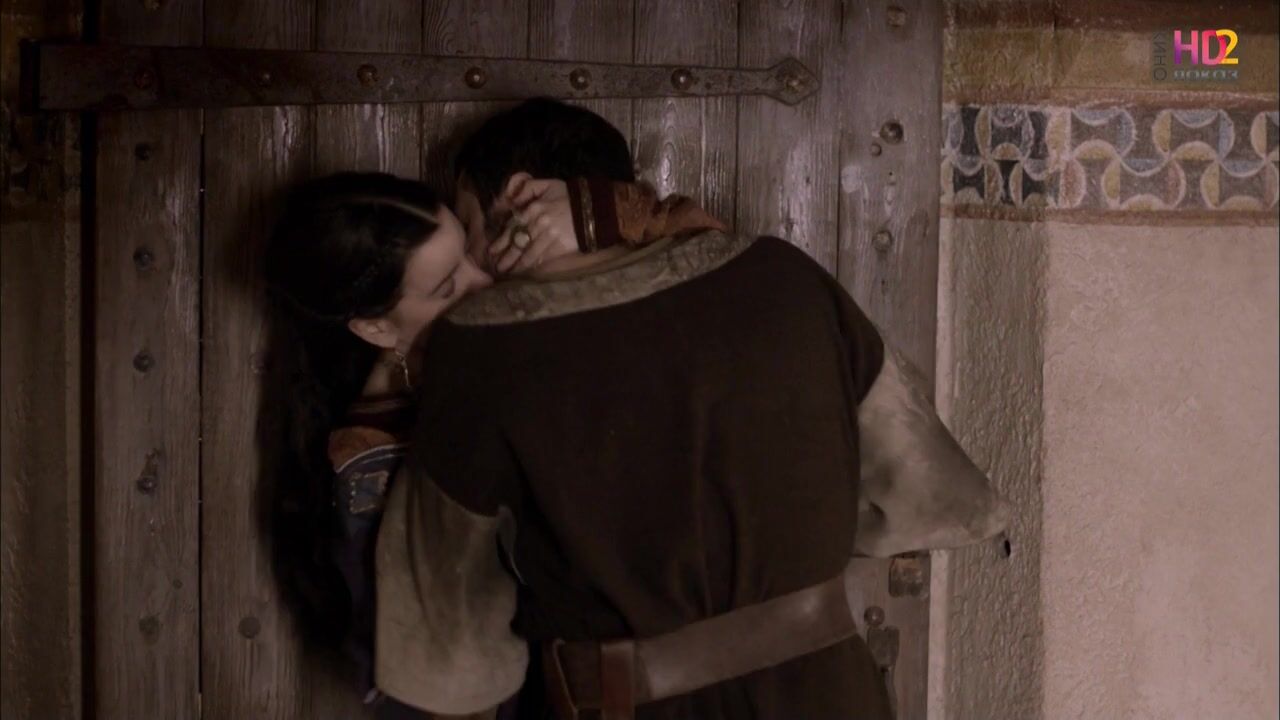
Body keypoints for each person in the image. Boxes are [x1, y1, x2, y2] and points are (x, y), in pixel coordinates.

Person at [374, 99, 900, 719]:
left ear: (518, 194)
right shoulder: (788, 276)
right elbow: (913, 496)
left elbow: (447, 639)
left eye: (471, 232)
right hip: (833, 698)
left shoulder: (480, 345)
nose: (478, 272)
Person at [263, 161, 724, 717]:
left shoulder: (488, 356)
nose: (483, 283)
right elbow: (439, 691)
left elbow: (729, 281)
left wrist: (596, 213)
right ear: (375, 327)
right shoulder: (374, 473)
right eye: (447, 287)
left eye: (467, 253)